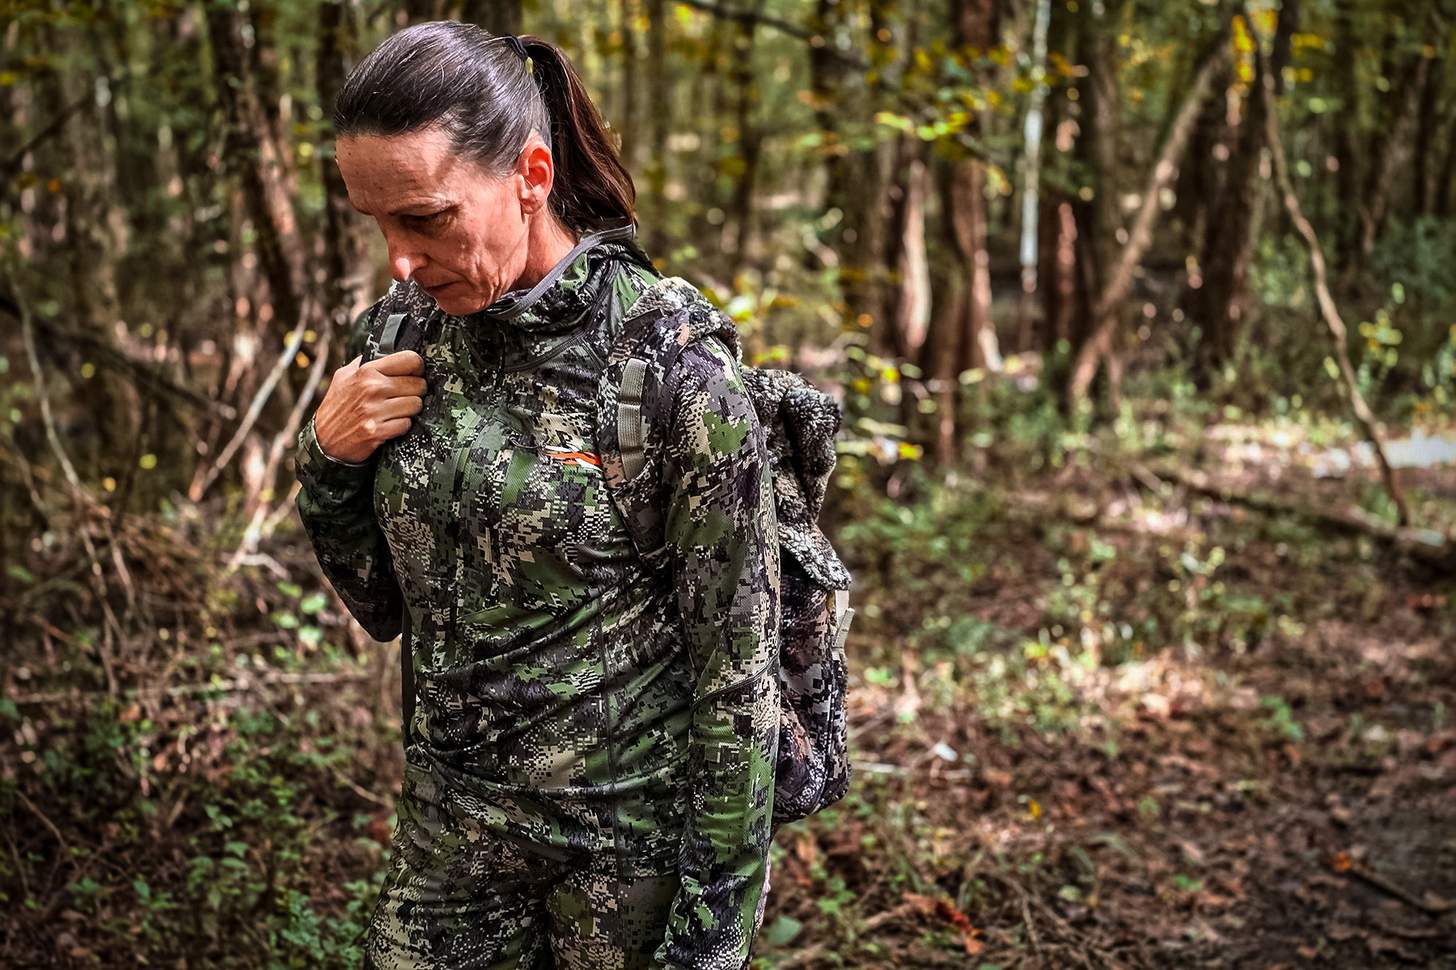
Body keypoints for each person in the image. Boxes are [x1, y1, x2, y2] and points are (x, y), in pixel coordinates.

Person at [292, 20, 781, 970]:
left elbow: (738, 682)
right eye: (378, 222)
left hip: (625, 856)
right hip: (450, 837)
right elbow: (382, 604)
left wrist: (709, 942)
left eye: (427, 218)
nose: (399, 258)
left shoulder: (667, 366)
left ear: (531, 175)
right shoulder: (401, 336)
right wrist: (327, 459)